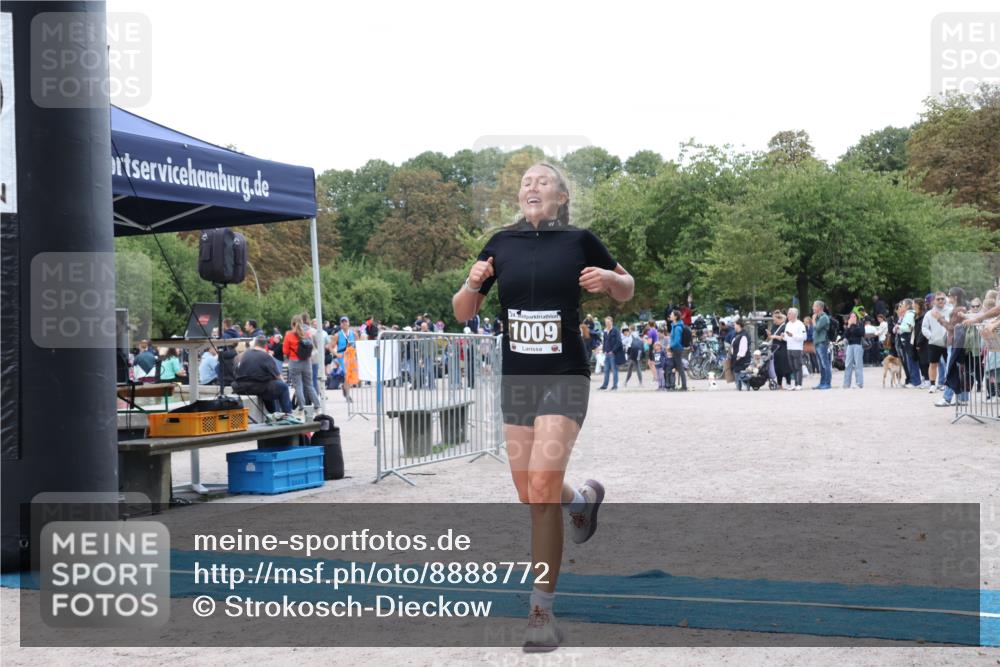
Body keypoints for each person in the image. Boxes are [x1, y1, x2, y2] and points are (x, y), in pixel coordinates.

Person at [451, 161, 634, 652]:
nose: (532, 186)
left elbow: (628, 287)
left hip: (565, 376)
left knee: (541, 485)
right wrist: (471, 283)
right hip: (518, 381)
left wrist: (609, 280)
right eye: (526, 182)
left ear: (561, 197)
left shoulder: (580, 241)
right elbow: (463, 311)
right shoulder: (500, 243)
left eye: (543, 181)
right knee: (531, 493)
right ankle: (581, 503)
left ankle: (541, 612)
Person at [232, 336, 293, 415]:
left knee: (269, 385)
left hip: (240, 387)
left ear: (255, 343)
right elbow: (278, 376)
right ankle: (287, 414)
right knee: (283, 387)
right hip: (257, 386)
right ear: (265, 345)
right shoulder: (265, 356)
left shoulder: (243, 355)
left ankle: (273, 412)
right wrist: (284, 383)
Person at [282, 315, 321, 419]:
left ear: (292, 324)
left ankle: (302, 409)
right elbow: (311, 347)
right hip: (307, 362)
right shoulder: (307, 334)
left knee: (298, 386)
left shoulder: (288, 335)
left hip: (294, 362)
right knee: (309, 385)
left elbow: (285, 351)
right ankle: (317, 407)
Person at [336, 316, 359, 401]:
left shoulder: (354, 334)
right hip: (343, 358)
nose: (344, 323)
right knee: (347, 375)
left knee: (351, 377)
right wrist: (336, 354)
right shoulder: (337, 335)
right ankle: (348, 396)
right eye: (342, 322)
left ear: (349, 323)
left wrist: (357, 355)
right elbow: (330, 346)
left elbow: (359, 345)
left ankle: (344, 387)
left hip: (352, 357)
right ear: (340, 324)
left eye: (346, 322)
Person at [783, 307, 807, 390]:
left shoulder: (800, 324)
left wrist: (793, 335)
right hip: (789, 347)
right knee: (792, 367)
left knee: (798, 366)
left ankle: (799, 384)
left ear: (794, 315)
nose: (788, 315)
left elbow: (804, 337)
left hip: (797, 348)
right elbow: (786, 338)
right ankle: (794, 383)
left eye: (789, 314)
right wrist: (784, 336)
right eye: (788, 314)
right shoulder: (788, 324)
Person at [767, 311, 790, 389]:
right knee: (777, 366)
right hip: (775, 348)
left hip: (783, 348)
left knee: (785, 366)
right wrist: (769, 335)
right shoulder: (774, 326)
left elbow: (783, 338)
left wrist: (774, 336)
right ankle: (779, 384)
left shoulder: (785, 326)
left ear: (779, 319)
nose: (774, 321)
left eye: (775, 320)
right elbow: (771, 336)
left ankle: (788, 382)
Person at [842, 312, 865, 389]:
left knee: (858, 365)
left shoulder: (860, 324)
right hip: (850, 345)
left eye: (854, 316)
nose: (852, 318)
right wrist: (848, 326)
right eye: (851, 316)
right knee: (848, 364)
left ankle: (859, 383)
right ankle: (846, 383)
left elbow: (861, 333)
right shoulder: (849, 326)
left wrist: (855, 325)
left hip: (858, 345)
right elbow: (845, 335)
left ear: (857, 318)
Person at [811, 301, 832, 389]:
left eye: (814, 306)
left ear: (819, 307)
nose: (813, 308)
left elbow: (817, 328)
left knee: (825, 363)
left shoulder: (824, 317)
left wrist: (813, 320)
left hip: (822, 342)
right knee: (821, 364)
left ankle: (827, 383)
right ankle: (822, 383)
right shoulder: (818, 317)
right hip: (817, 342)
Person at [598, 316, 622, 390]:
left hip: (613, 354)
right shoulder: (605, 331)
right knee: (606, 370)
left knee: (614, 370)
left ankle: (615, 386)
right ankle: (604, 385)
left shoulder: (615, 330)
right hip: (607, 354)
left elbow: (619, 342)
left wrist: (613, 351)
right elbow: (605, 342)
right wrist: (604, 350)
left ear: (612, 322)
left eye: (608, 322)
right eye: (606, 322)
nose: (607, 323)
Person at [668, 309, 688, 391]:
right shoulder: (674, 326)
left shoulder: (677, 328)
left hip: (677, 349)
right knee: (676, 367)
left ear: (675, 317)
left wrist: (670, 346)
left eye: (671, 314)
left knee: (680, 367)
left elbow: (676, 341)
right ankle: (673, 385)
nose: (670, 315)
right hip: (675, 348)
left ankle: (684, 386)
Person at [730, 319, 752, 391]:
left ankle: (743, 385)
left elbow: (743, 348)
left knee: (741, 372)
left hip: (741, 358)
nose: (734, 326)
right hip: (736, 357)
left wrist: (738, 357)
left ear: (739, 325)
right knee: (737, 371)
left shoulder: (743, 335)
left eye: (735, 324)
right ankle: (739, 385)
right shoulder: (737, 334)